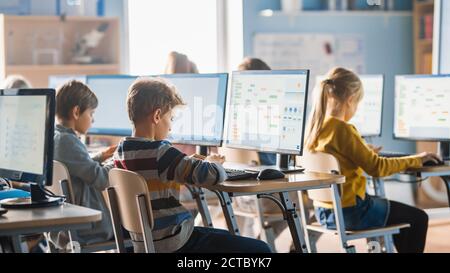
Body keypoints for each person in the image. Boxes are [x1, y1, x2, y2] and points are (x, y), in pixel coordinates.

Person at [113, 77, 271, 253]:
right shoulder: (160, 152)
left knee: (218, 233)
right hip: (175, 243)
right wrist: (212, 161)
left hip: (143, 243)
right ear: (157, 116)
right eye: (170, 118)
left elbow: (163, 169)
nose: (171, 127)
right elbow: (211, 175)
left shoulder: (120, 152)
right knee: (260, 250)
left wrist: (186, 161)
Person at [305, 67, 441, 253]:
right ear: (351, 100)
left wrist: (364, 150)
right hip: (353, 213)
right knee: (418, 218)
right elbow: (377, 167)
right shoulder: (344, 129)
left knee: (400, 217)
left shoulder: (315, 128)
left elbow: (337, 157)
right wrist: (416, 159)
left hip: (324, 214)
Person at [53, 80, 117, 247]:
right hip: (87, 230)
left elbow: (76, 166)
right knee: (137, 230)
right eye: (91, 113)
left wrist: (101, 156)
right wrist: (118, 161)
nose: (93, 120)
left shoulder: (55, 136)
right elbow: (102, 179)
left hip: (61, 228)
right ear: (76, 112)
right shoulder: (68, 142)